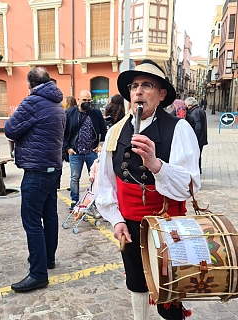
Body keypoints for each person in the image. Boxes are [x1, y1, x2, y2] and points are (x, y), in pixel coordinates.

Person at [95, 59, 201, 320]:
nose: (138, 92)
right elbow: (106, 181)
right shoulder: (116, 131)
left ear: (161, 94)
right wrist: (116, 219)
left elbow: (189, 185)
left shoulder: (179, 128)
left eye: (147, 85)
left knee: (170, 284)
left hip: (168, 224)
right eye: (134, 86)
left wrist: (156, 165)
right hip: (130, 222)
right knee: (135, 279)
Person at [4, 67, 65, 292]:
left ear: (29, 84)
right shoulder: (58, 102)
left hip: (37, 170)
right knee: (49, 215)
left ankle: (38, 273)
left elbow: (10, 129)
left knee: (31, 220)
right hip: (53, 167)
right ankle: (48, 259)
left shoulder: (33, 102)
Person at [63, 90, 107, 211]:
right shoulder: (70, 113)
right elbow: (64, 133)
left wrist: (101, 144)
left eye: (89, 100)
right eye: (84, 100)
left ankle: (93, 201)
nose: (87, 102)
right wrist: (68, 148)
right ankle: (74, 200)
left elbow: (103, 130)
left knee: (94, 178)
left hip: (91, 152)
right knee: (74, 177)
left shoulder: (96, 113)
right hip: (76, 152)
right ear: (78, 100)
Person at [185, 97, 208, 174]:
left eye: (186, 105)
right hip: (202, 138)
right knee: (198, 154)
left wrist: (193, 138)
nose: (186, 107)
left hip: (198, 138)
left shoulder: (195, 112)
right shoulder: (200, 110)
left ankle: (197, 170)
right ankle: (198, 169)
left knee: (195, 155)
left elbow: (198, 126)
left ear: (190, 105)